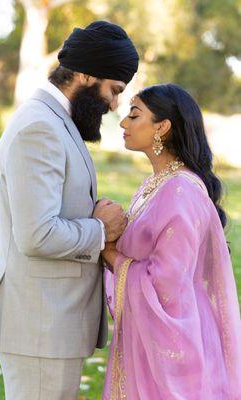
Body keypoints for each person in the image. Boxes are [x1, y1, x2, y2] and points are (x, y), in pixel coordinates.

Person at [0, 21, 139, 400]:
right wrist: (100, 229)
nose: (116, 104)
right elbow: (37, 235)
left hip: (51, 326)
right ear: (84, 74)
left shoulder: (56, 121)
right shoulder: (40, 127)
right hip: (40, 328)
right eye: (114, 91)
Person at [102, 84, 241, 399]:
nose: (123, 123)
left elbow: (166, 284)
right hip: (146, 336)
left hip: (175, 346)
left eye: (134, 115)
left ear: (162, 127)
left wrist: (107, 251)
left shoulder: (181, 191)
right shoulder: (155, 183)